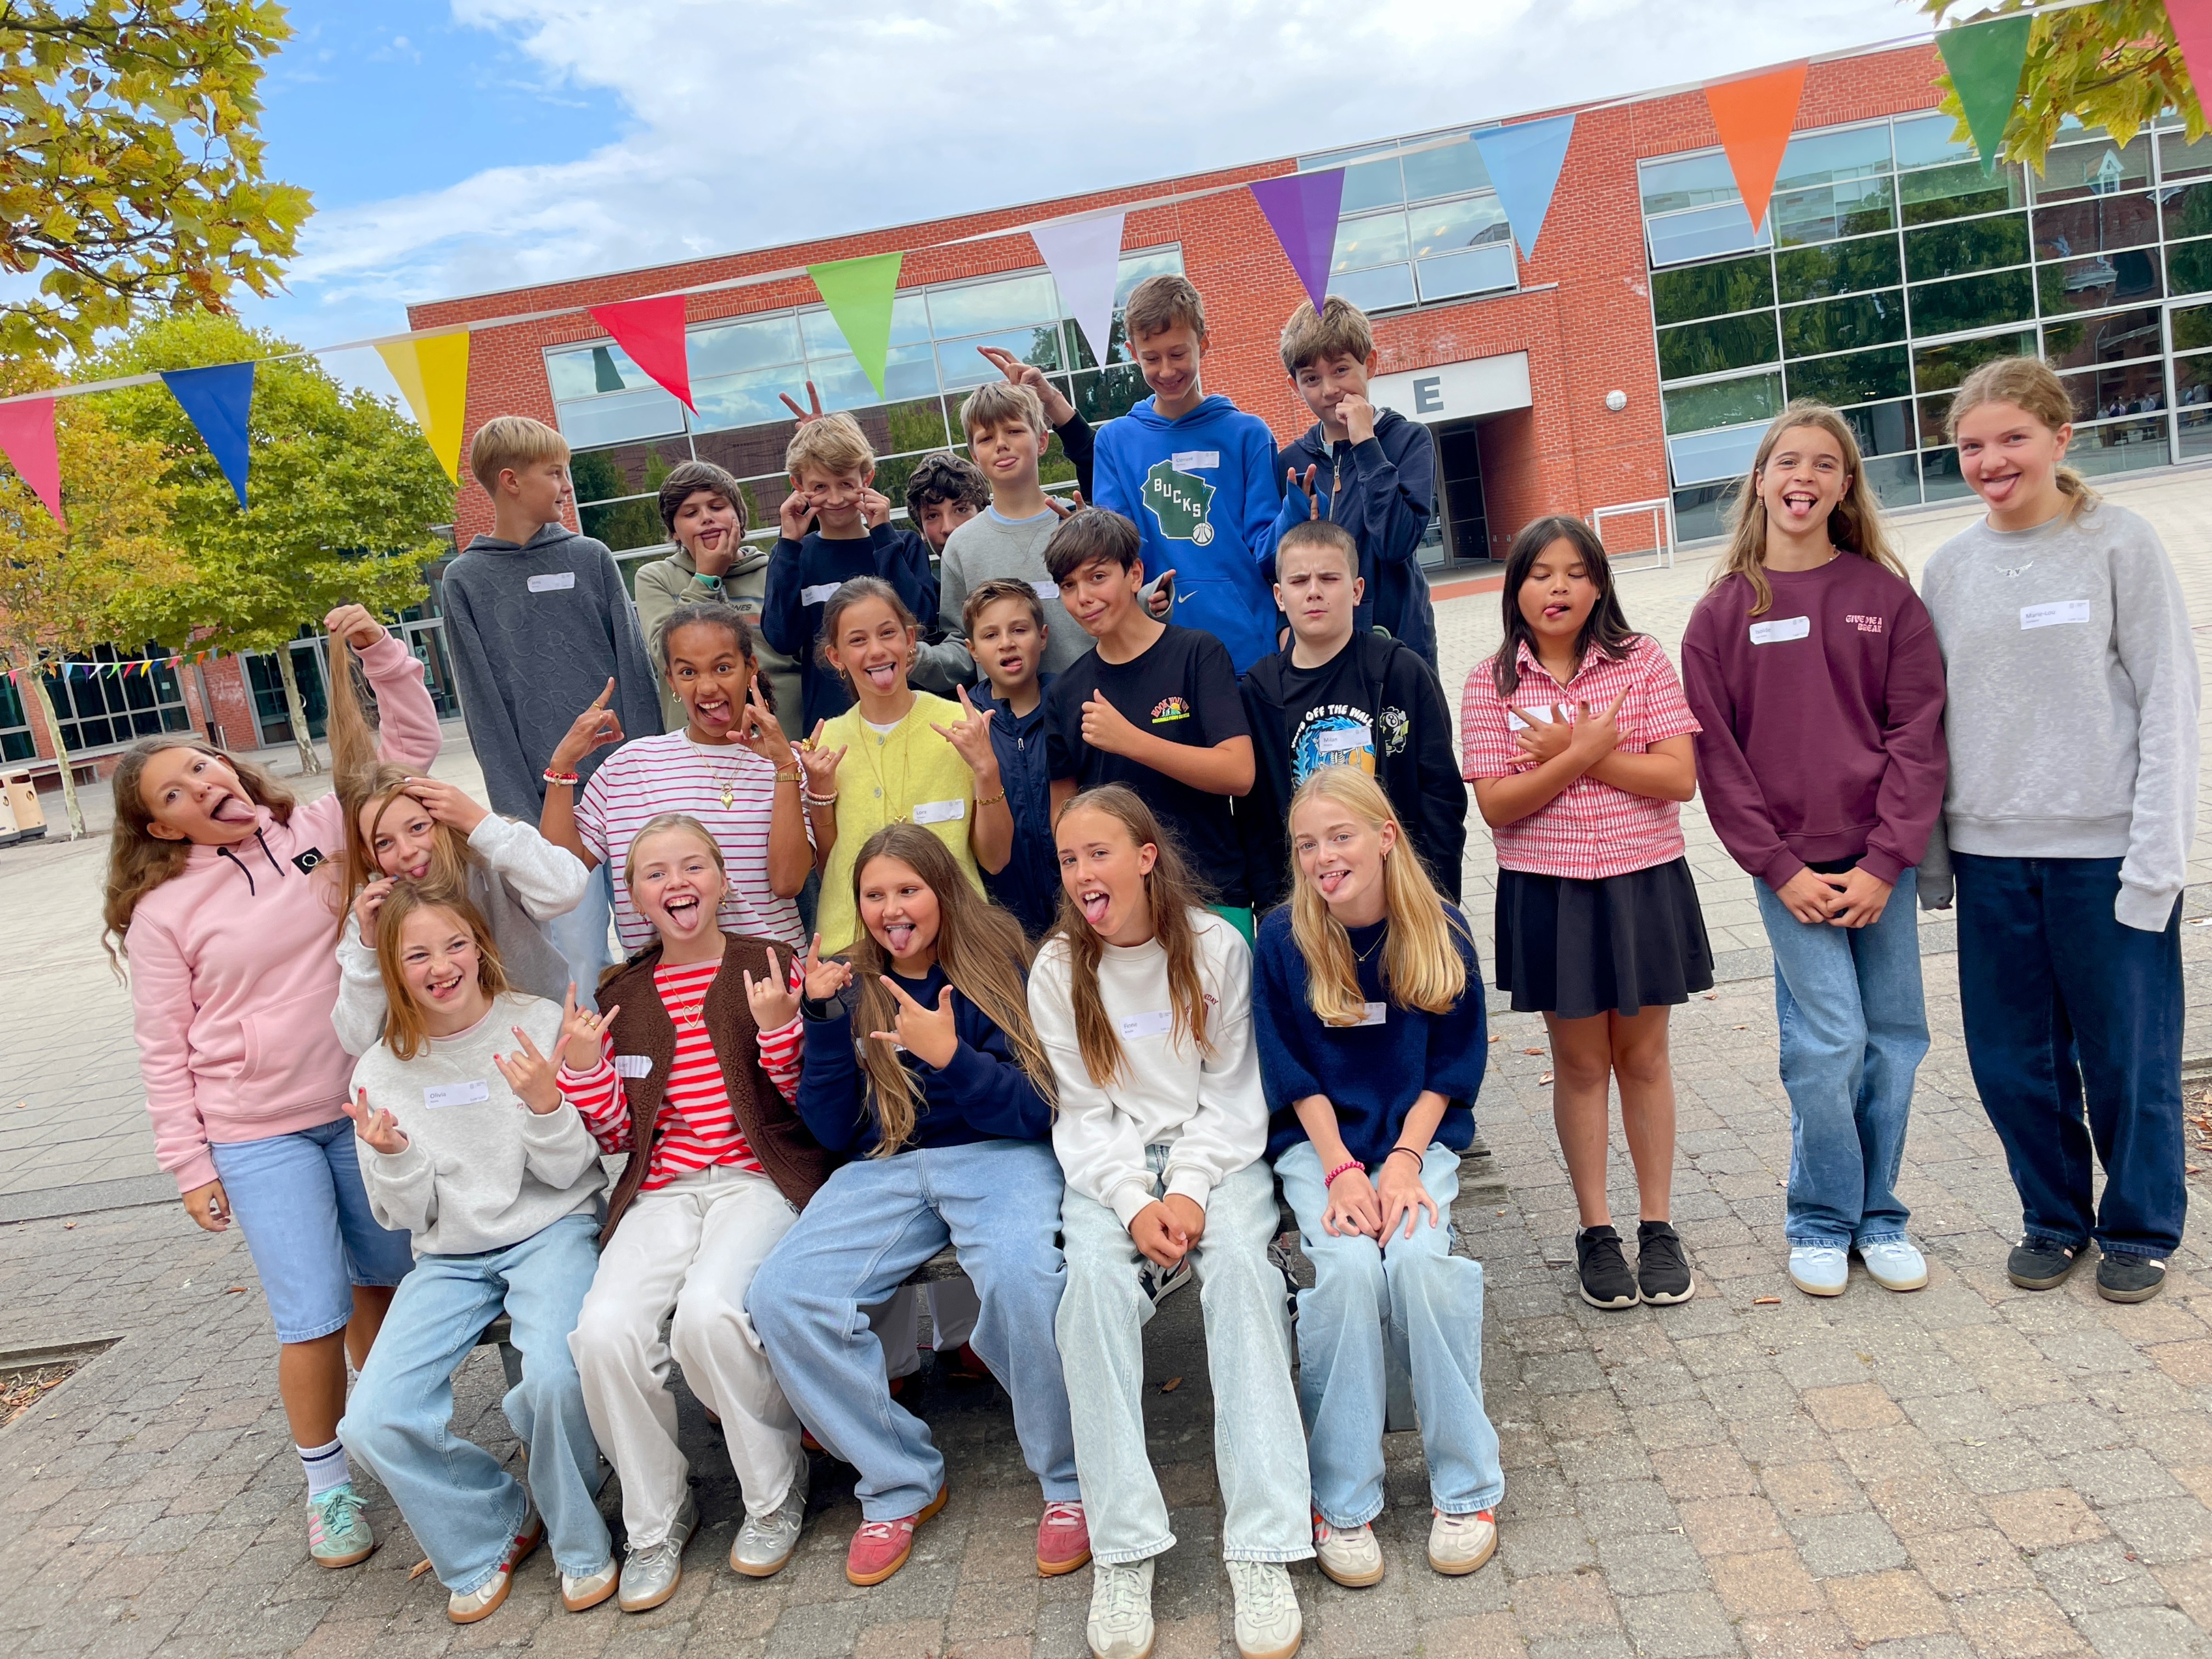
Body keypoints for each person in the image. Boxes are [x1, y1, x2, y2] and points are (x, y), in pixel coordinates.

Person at [102, 606, 438, 1571]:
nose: (205, 784)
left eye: (202, 764)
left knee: (387, 1281)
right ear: (160, 825)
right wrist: (189, 1165)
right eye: (177, 790)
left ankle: (400, 1438)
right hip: (257, 1133)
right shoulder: (163, 913)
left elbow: (410, 752)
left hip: (361, 1107)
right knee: (312, 1313)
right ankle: (327, 1486)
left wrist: (379, 651)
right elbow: (161, 1046)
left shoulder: (320, 827)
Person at [1918, 357, 2199, 1305]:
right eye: (1972, 445)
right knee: (2013, 1064)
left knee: (2127, 1059)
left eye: (2013, 438)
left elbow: (2169, 704)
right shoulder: (1949, 569)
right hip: (1992, 862)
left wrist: (2157, 861)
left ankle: (2140, 1227)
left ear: (2059, 436)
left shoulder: (2118, 543)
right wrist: (1935, 862)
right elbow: (1929, 721)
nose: (1991, 460)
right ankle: (2052, 1217)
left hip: (2106, 857)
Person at [749, 825, 1084, 1588]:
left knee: (1025, 1279)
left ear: (943, 890)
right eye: (875, 895)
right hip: (888, 1167)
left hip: (999, 1155)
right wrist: (823, 1026)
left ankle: (1069, 1478)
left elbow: (1039, 1108)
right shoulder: (850, 981)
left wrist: (951, 1057)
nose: (892, 909)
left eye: (909, 890)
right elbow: (835, 1132)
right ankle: (898, 1478)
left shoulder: (1000, 958)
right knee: (782, 1296)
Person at [1031, 784, 1310, 1659]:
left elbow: (1233, 1093)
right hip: (1112, 1169)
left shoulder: (1216, 948)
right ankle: (1125, 1549)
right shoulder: (1058, 969)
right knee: (1091, 1296)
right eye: (1069, 859)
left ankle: (1263, 1543)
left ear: (1146, 857)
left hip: (1215, 1155)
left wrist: (1186, 1190)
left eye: (1099, 853)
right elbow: (1082, 1114)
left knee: (1244, 1278)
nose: (1083, 873)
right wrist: (1133, 1201)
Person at [1680, 403, 1948, 1301]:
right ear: (1760, 480)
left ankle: (1880, 1217)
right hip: (1789, 869)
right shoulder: (1722, 615)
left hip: (1880, 863)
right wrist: (1779, 867)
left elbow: (1917, 738)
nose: (1804, 476)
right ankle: (1820, 1219)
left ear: (1845, 485)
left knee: (1893, 1041)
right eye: (1787, 461)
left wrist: (1885, 862)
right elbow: (1718, 757)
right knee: (1829, 1041)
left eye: (1824, 463)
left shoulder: (1886, 599)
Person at [557, 815, 833, 1607]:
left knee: (710, 1315)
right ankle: (656, 1516)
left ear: (721, 879)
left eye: (692, 867)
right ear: (634, 897)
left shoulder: (769, 964)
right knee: (603, 1331)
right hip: (663, 1191)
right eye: (654, 873)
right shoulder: (621, 994)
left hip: (757, 1179)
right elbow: (618, 1134)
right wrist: (586, 1070)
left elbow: (809, 1104)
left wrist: (782, 1031)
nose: (675, 883)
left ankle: (774, 1490)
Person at [336, 886, 613, 1623]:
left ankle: (580, 1535)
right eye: (417, 955)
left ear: (481, 947)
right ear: (392, 970)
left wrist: (547, 1105)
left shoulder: (537, 1023)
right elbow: (403, 1216)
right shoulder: (378, 1070)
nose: (441, 966)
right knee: (371, 1418)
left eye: (454, 944)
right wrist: (395, 1157)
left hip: (551, 1229)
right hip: (449, 1257)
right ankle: (490, 1522)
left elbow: (573, 1171)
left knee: (552, 1377)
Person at [1254, 769, 1498, 1586]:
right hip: (1321, 1147)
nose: (1324, 858)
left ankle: (1467, 1486)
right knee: (1350, 1270)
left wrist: (1401, 1162)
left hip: (1414, 1144)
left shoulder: (1441, 929)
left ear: (1385, 837)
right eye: (1308, 844)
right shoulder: (1284, 939)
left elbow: (1454, 1068)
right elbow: (1291, 1073)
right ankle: (1344, 1499)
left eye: (1341, 837)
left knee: (1422, 1262)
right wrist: (1341, 1171)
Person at [1460, 516, 1708, 1313]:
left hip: (1642, 881)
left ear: (1599, 585)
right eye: (1540, 574)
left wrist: (1574, 751)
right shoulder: (1490, 683)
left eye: (1575, 573)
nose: (1558, 588)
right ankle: (1596, 1231)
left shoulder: (1642, 661)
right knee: (1578, 1064)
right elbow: (1499, 805)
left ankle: (1658, 1226)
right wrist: (1587, 752)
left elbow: (1677, 779)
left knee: (1644, 1058)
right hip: (1550, 891)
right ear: (1516, 589)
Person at [441, 415, 663, 1004]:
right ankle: (593, 1061)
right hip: (548, 812)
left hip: (626, 796)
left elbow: (635, 671)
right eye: (555, 473)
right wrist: (517, 816)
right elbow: (483, 707)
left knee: (658, 935)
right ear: (511, 481)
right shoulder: (465, 581)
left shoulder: (591, 558)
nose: (567, 485)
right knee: (579, 958)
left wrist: (649, 777)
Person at [327, 634, 587, 1055]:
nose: (407, 851)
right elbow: (356, 1039)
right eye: (384, 842)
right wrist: (367, 948)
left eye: (417, 827)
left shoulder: (488, 855)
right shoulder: (373, 908)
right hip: (447, 1064)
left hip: (539, 1042)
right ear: (366, 854)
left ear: (442, 817)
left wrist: (479, 821)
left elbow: (567, 890)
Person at [539, 601, 810, 956]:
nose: (707, 687)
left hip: (771, 977)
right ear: (671, 681)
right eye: (688, 672)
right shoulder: (629, 767)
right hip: (661, 984)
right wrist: (562, 766)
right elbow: (561, 873)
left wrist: (785, 769)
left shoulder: (785, 767)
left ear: (751, 669)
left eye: (723, 668)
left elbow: (788, 882)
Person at [1043, 508, 1256, 936]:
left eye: (1097, 577)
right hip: (1120, 911)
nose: (1083, 597)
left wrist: (1132, 741)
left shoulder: (1198, 653)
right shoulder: (1065, 692)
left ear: (1135, 574)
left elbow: (1238, 772)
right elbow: (1064, 815)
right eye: (1068, 585)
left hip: (1211, 895)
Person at [1240, 518, 1465, 911]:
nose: (1314, 591)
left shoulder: (1401, 673)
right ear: (1279, 596)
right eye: (1299, 581)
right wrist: (1274, 909)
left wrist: (1437, 899)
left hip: (1400, 896)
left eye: (1329, 578)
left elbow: (1441, 795)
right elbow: (1254, 818)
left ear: (1357, 590)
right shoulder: (1260, 692)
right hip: (1307, 906)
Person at [793, 578, 1011, 953]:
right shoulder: (825, 743)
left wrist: (987, 771)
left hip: (955, 945)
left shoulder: (961, 726)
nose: (877, 651)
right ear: (836, 657)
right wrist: (820, 797)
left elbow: (995, 860)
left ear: (910, 640)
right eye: (858, 640)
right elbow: (830, 866)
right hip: (854, 948)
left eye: (888, 633)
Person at [1090, 274, 1285, 673]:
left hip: (1249, 650)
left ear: (1204, 343)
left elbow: (1268, 552)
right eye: (1151, 358)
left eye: (1178, 354)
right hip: (1161, 653)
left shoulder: (1248, 435)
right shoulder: (1114, 442)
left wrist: (1296, 514)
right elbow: (1120, 555)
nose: (1166, 370)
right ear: (1132, 353)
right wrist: (1139, 592)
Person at [1272, 297, 1440, 665]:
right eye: (1311, 379)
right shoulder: (1291, 462)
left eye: (1341, 370)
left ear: (1371, 364)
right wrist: (1284, 626)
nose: (1329, 389)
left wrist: (1366, 445)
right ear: (1294, 385)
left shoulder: (1408, 440)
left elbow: (1396, 543)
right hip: (1319, 649)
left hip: (1398, 641)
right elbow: (1280, 560)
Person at [762, 413, 939, 733]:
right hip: (830, 729)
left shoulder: (902, 545)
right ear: (798, 487)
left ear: (867, 478)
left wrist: (883, 535)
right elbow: (781, 638)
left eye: (846, 484)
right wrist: (788, 546)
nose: (835, 498)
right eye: (820, 487)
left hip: (908, 723)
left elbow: (921, 623)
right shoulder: (793, 556)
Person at [913, 381, 1091, 693]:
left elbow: (1122, 607)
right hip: (1011, 718)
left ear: (1042, 441)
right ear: (974, 454)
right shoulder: (961, 546)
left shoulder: (1080, 521)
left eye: (1014, 431)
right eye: (986, 438)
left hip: (1097, 703)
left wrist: (1152, 599)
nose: (1001, 444)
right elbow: (963, 647)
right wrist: (917, 658)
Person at [634, 461, 802, 733]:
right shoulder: (656, 578)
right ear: (674, 530)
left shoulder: (775, 572)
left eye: (717, 507)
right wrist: (706, 578)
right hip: (700, 744)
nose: (706, 518)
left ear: (739, 516)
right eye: (691, 513)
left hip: (784, 735)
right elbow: (665, 656)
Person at [957, 577, 1062, 936]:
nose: (1006, 644)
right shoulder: (963, 725)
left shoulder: (1072, 706)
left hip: (1082, 909)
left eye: (1019, 630)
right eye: (991, 635)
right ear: (973, 650)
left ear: (1043, 636)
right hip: (1003, 926)